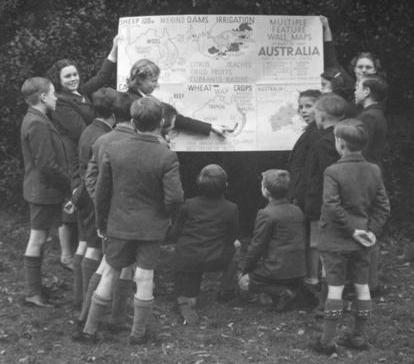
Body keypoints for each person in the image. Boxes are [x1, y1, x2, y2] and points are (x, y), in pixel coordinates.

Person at [74, 96, 184, 344]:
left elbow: (102, 192)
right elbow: (175, 197)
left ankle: (89, 330)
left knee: (110, 272)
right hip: (151, 227)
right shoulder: (167, 155)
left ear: (133, 120)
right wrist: (165, 216)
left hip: (118, 223)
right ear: (161, 122)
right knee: (145, 277)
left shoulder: (114, 149)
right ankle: (138, 334)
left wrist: (103, 223)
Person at [312, 119, 390, 354]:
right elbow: (383, 205)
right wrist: (371, 231)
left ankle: (326, 342)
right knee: (362, 286)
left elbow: (331, 205)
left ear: (340, 143)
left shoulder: (333, 171)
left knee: (335, 288)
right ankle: (359, 337)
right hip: (363, 240)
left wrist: (351, 230)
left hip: (336, 239)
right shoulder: (374, 169)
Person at [46, 36, 118, 270]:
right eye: (67, 76)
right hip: (76, 157)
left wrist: (114, 49)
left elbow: (101, 77)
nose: (73, 79)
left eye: (75, 74)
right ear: (57, 81)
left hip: (88, 152)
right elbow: (81, 131)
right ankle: (74, 260)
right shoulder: (61, 102)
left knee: (83, 211)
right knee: (79, 207)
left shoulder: (80, 93)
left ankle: (79, 261)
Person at [20, 77, 70, 307]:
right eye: (52, 93)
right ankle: (32, 292)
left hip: (43, 189)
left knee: (39, 238)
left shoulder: (37, 118)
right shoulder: (37, 122)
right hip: (43, 190)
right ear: (42, 97)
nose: (55, 97)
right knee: (38, 238)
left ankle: (36, 289)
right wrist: (68, 183)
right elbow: (46, 165)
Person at [167, 164, 239, 325]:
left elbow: (175, 233)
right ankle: (226, 289)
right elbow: (231, 237)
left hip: (189, 257)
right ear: (225, 185)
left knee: (190, 292)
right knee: (237, 247)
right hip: (216, 258)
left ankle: (187, 301)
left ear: (198, 184)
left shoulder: (189, 205)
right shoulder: (231, 208)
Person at [68, 87, 117, 309]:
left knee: (83, 243)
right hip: (93, 196)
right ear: (114, 113)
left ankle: (79, 297)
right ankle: (87, 300)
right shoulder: (104, 136)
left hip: (82, 194)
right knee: (93, 247)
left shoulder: (89, 129)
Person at [303, 93, 348, 312]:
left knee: (321, 248)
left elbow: (320, 176)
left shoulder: (323, 142)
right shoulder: (344, 137)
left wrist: (310, 202)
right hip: (336, 203)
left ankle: (324, 300)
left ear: (320, 115)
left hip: (322, 204)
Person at [237, 169, 306, 311]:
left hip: (277, 269)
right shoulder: (297, 210)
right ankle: (291, 290)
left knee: (243, 282)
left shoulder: (266, 214)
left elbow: (257, 246)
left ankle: (281, 292)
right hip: (298, 269)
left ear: (266, 190)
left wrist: (246, 270)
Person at [355, 74, 389, 294]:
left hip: (365, 174)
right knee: (370, 225)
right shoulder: (377, 115)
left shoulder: (368, 117)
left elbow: (361, 149)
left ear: (367, 92)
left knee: (366, 225)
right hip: (373, 172)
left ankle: (369, 282)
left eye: (358, 87)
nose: (355, 91)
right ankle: (370, 280)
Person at [288, 89, 322, 210]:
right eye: (301, 107)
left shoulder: (316, 133)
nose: (303, 111)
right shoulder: (309, 131)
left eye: (308, 106)